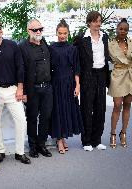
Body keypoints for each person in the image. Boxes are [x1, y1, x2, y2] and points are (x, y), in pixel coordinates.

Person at [0, 18, 30, 164]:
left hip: (13, 90)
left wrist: (20, 88)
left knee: (21, 121)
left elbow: (20, 67)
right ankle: (0, 151)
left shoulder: (12, 45)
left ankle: (19, 152)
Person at [74, 11, 110, 151]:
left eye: (99, 21)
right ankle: (86, 141)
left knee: (100, 108)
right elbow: (75, 59)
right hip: (88, 76)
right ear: (89, 22)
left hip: (101, 75)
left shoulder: (105, 37)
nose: (98, 24)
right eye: (95, 21)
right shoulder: (82, 39)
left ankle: (97, 140)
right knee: (87, 109)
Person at [18, 19, 53, 158]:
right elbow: (21, 70)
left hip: (47, 88)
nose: (38, 32)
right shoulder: (22, 47)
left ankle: (41, 144)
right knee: (32, 118)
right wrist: (24, 92)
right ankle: (32, 146)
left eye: (40, 29)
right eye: (35, 30)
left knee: (46, 117)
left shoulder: (45, 43)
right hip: (32, 89)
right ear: (29, 31)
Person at [108, 18, 132, 148]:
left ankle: (123, 133)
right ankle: (112, 133)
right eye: (121, 28)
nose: (123, 31)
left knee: (128, 104)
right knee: (117, 105)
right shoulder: (110, 43)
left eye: (125, 29)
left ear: (128, 31)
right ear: (117, 29)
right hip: (117, 75)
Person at [49, 19, 83, 154]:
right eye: (60, 33)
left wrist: (78, 86)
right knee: (58, 110)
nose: (62, 35)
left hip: (69, 83)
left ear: (68, 33)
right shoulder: (51, 48)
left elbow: (76, 68)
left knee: (67, 110)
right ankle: (59, 139)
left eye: (65, 33)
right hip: (56, 82)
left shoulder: (73, 48)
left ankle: (63, 137)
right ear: (56, 33)